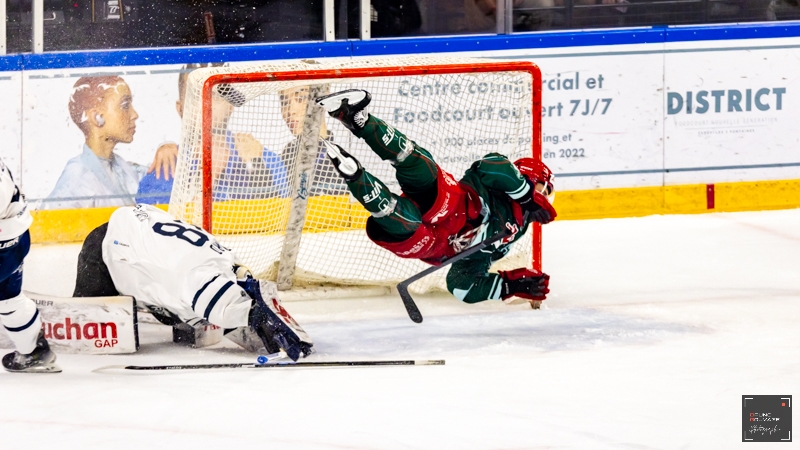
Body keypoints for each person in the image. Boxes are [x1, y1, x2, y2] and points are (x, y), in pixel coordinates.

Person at [315, 89, 556, 306]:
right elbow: (493, 166)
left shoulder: (512, 237)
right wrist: (526, 195)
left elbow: (462, 286)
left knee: (401, 220)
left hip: (439, 245)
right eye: (541, 189)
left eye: (546, 194)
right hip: (456, 205)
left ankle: (354, 174)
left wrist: (509, 285)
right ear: (524, 178)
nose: (543, 198)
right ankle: (358, 119)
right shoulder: (500, 183)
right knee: (419, 165)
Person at [72, 204, 313, 361]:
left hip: (140, 224)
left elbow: (237, 288)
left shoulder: (221, 263)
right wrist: (257, 317)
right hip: (107, 247)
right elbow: (230, 304)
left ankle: (160, 308)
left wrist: (257, 315)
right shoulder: (199, 279)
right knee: (88, 320)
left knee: (175, 305)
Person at [141, 64, 289, 203]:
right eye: (195, 95)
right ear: (180, 109)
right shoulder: (162, 169)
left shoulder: (268, 161)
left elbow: (282, 221)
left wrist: (256, 165)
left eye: (216, 95)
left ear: (231, 104)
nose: (206, 103)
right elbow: (149, 225)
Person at [44, 76, 177, 210]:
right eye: (125, 106)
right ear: (97, 117)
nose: (134, 114)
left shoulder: (121, 168)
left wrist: (168, 148)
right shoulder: (78, 178)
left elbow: (154, 180)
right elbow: (45, 224)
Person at [0, 159, 60, 373]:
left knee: (8, 300)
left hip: (5, 248)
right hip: (12, 242)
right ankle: (34, 351)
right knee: (8, 301)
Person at [279, 86, 348, 196]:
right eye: (284, 102)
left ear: (325, 98)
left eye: (301, 98)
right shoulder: (287, 156)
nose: (290, 111)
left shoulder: (342, 164)